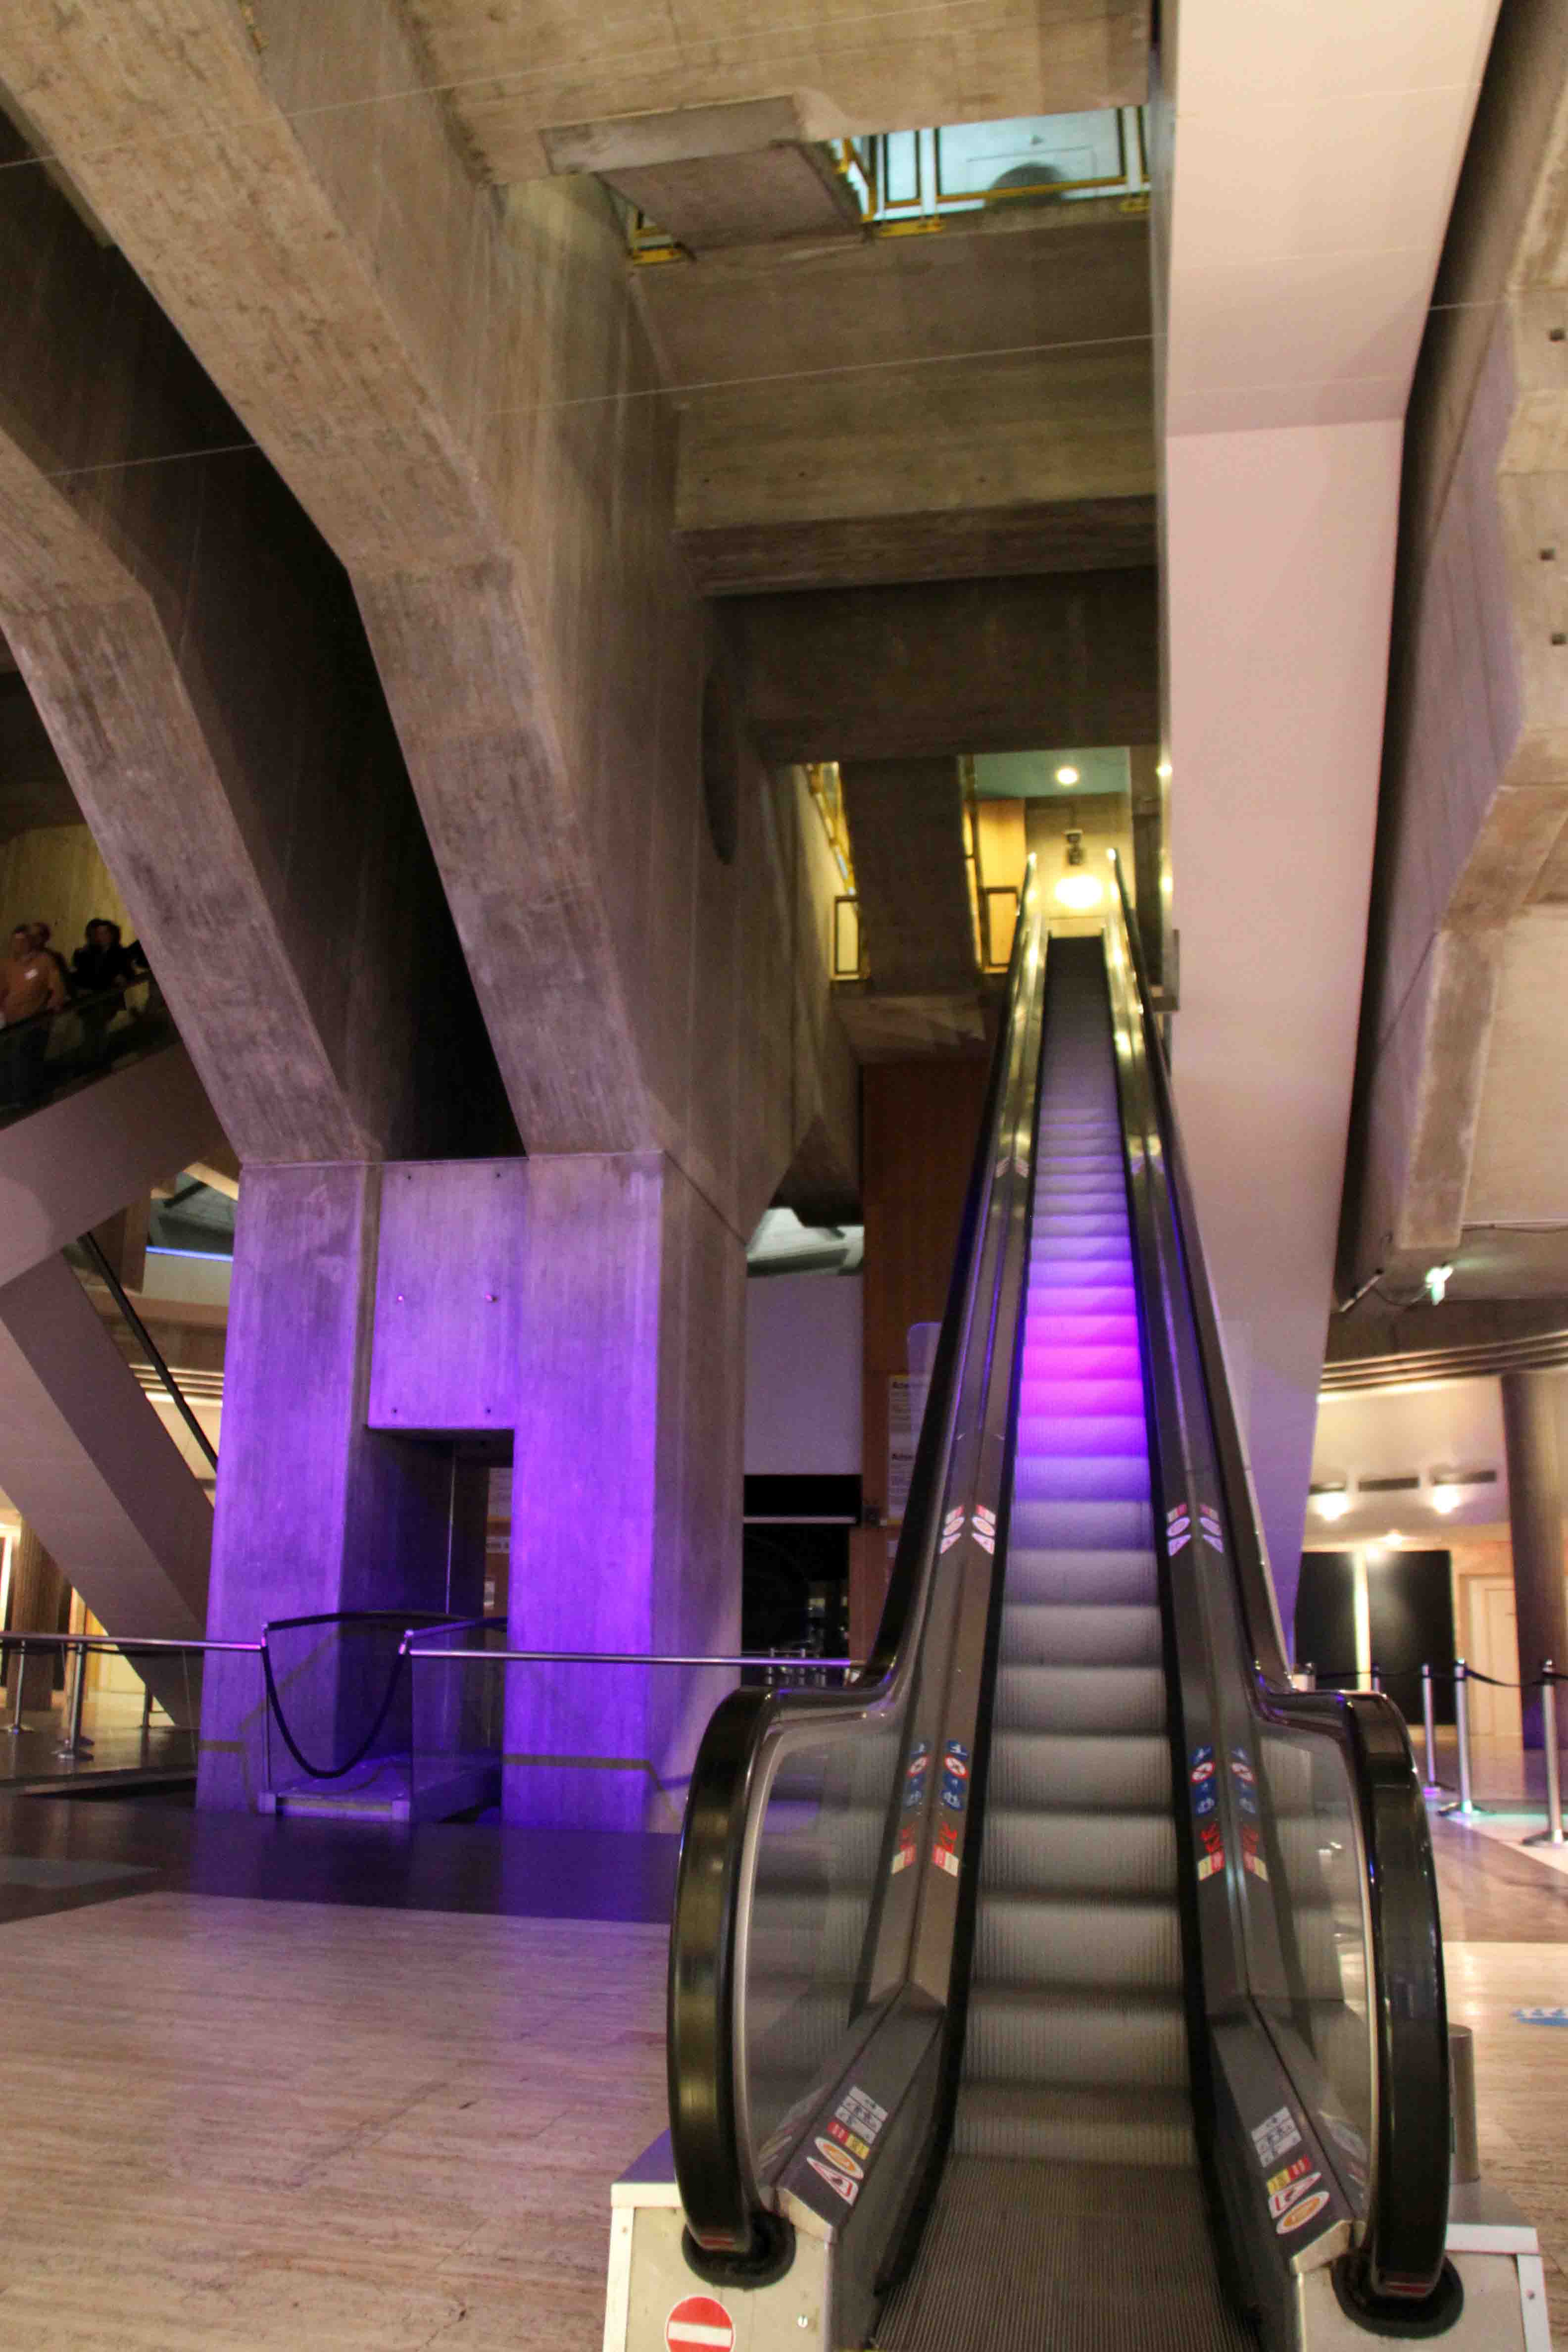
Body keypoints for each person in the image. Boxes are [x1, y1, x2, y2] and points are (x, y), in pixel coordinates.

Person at [0, 923, 66, 1109]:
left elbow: (58, 988)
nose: (18, 945)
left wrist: (51, 1009)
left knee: (25, 1060)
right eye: (15, 942)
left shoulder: (45, 960)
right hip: (10, 1022)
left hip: (33, 1021)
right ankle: (11, 1097)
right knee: (9, 1060)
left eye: (23, 941)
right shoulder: (7, 964)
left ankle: (25, 1099)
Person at [71, 918, 139, 1066]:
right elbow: (83, 974)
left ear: (112, 934)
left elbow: (128, 974)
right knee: (91, 1030)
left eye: (105, 933)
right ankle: (93, 1062)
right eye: (99, 933)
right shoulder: (91, 953)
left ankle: (98, 1062)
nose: (102, 936)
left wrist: (121, 977)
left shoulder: (119, 953)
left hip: (106, 998)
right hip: (92, 999)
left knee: (97, 1030)